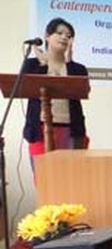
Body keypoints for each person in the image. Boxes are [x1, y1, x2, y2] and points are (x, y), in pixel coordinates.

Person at [23, 17, 89, 159]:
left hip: (70, 129)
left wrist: (69, 62)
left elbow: (82, 91)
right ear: (47, 36)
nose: (64, 37)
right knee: (43, 172)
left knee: (70, 172)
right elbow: (24, 86)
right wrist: (43, 64)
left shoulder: (78, 69)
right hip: (40, 129)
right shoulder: (32, 64)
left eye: (69, 36)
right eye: (59, 33)